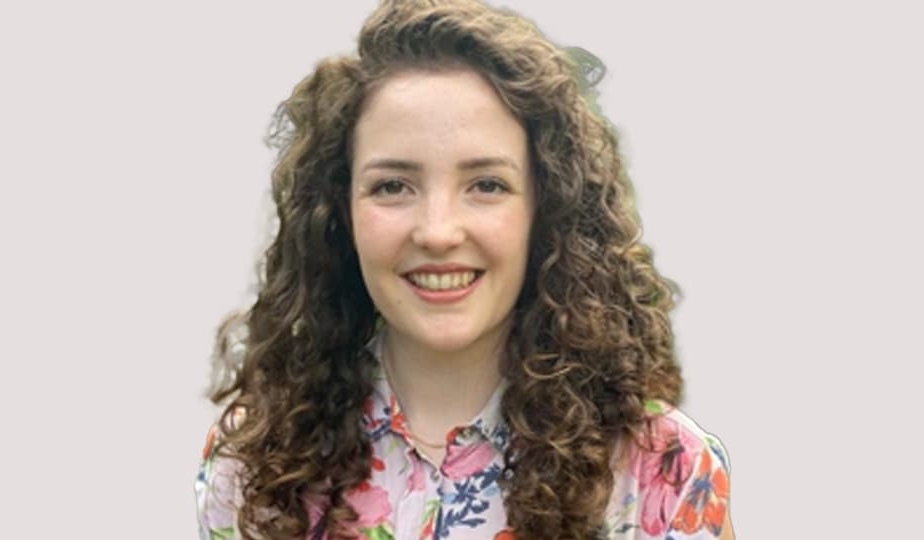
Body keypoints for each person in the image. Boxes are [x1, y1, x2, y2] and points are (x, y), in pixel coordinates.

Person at [195, 1, 735, 538]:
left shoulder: (664, 472)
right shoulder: (250, 465)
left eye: (487, 185)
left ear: (544, 208)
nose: (437, 231)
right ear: (340, 211)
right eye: (392, 186)